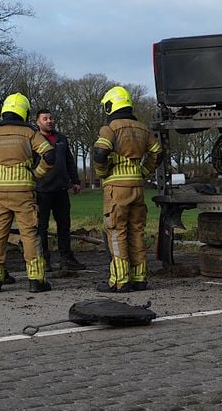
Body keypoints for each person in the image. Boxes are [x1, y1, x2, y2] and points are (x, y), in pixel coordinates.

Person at [0, 93, 55, 293]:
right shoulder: (30, 133)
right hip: (23, 191)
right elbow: (49, 155)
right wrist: (35, 174)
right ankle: (36, 280)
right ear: (24, 112)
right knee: (30, 234)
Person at [92, 86, 161, 293]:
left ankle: (120, 281)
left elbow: (100, 153)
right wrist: (143, 172)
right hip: (137, 187)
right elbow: (157, 154)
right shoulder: (142, 128)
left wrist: (103, 172)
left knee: (116, 232)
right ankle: (139, 278)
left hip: (117, 188)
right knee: (136, 231)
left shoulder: (110, 128)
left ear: (110, 106)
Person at [34, 109, 85, 272]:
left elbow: (69, 161)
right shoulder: (33, 139)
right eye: (45, 119)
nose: (49, 121)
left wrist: (75, 181)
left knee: (64, 225)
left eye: (50, 118)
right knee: (41, 227)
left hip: (61, 189)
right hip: (42, 190)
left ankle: (66, 258)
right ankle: (44, 260)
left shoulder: (62, 139)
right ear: (38, 122)